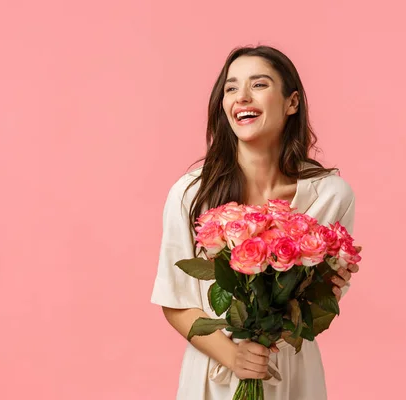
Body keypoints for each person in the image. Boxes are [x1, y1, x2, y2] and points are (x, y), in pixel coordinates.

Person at [150, 45, 361, 399]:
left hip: (292, 372)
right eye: (231, 88)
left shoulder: (331, 195)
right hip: (213, 375)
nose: (241, 97)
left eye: (258, 85)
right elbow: (175, 300)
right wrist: (234, 356)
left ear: (292, 102)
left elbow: (311, 313)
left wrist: (329, 290)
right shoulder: (191, 193)